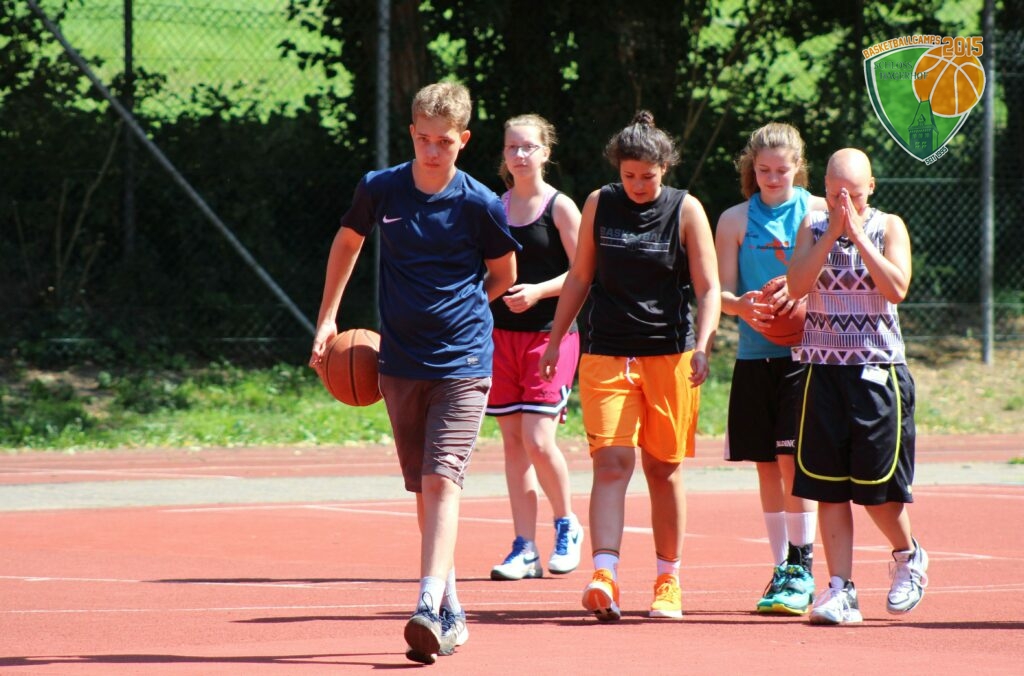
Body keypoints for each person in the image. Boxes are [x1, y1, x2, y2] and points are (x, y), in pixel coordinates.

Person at [308, 81, 519, 663]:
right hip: (398, 362)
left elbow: (503, 274)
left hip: (463, 361)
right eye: (423, 139)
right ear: (411, 133)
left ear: (463, 140)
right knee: (423, 486)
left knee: (442, 478)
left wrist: (464, 310)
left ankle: (426, 603)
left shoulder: (480, 203)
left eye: (443, 142)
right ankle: (450, 607)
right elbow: (347, 242)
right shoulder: (381, 188)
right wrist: (327, 319)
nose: (432, 150)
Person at [538, 111, 720, 621]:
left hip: (670, 354)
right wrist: (555, 340)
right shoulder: (600, 202)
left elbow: (708, 288)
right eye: (630, 175)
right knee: (612, 463)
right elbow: (580, 277)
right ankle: (605, 575)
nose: (638, 185)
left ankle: (668, 580)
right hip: (606, 352)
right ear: (618, 169)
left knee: (663, 469)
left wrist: (704, 345)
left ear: (665, 168)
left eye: (648, 176)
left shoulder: (686, 210)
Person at [786, 147, 928, 626]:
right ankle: (840, 589)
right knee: (828, 487)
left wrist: (859, 237)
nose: (842, 203)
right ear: (824, 190)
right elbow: (797, 285)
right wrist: (831, 234)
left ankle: (908, 555)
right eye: (833, 194)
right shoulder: (811, 226)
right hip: (823, 369)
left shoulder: (889, 227)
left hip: (876, 370)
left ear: (871, 187)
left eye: (853, 194)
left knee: (875, 489)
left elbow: (897, 288)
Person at [715, 123, 826, 615]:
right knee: (765, 463)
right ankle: (782, 567)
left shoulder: (817, 212)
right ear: (751, 169)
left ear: (798, 167)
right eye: (764, 170)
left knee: (791, 460)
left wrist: (803, 299)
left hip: (806, 355)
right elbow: (718, 292)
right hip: (754, 354)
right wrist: (741, 306)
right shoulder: (735, 219)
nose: (773, 178)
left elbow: (836, 280)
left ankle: (803, 564)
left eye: (782, 170)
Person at [487, 114, 585, 581]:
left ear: (546, 152)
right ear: (504, 155)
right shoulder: (493, 207)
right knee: (513, 443)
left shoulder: (560, 208)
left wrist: (538, 292)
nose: (520, 155)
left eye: (529, 147)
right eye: (513, 147)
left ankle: (567, 525)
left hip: (551, 335)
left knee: (539, 439)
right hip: (499, 337)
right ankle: (524, 547)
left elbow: (585, 271)